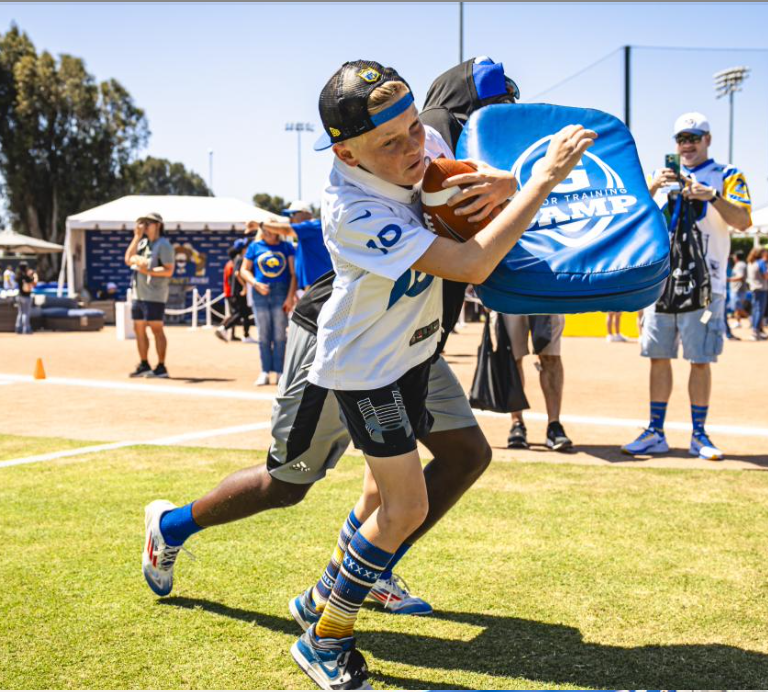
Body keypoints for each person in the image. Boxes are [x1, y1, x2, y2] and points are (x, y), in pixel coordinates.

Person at [139, 60, 526, 659]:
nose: (413, 147)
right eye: (389, 142)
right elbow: (469, 260)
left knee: (462, 455)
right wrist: (533, 182)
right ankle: (172, 528)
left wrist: (504, 178)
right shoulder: (358, 199)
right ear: (349, 153)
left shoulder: (438, 136)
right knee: (286, 484)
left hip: (413, 338)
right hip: (345, 340)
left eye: (413, 130)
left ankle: (354, 577)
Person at [623, 112, 752, 462]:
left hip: (707, 287)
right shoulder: (657, 177)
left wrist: (711, 197)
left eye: (694, 137)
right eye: (681, 138)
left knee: (700, 358)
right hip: (661, 283)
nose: (687, 144)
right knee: (657, 356)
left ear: (708, 139)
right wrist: (651, 189)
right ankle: (655, 431)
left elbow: (743, 221)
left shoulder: (727, 176)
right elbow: (632, 217)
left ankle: (698, 434)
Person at [500, 312, 572, 451]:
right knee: (513, 357)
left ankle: (554, 425)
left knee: (551, 355)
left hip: (547, 294)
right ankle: (517, 423)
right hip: (510, 294)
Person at [240, 220, 297, 386]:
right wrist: (255, 283)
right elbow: (244, 269)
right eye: (266, 230)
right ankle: (265, 371)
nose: (269, 233)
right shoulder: (255, 246)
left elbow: (293, 274)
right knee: (263, 334)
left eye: (272, 229)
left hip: (281, 292)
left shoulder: (286, 247)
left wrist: (290, 296)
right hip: (260, 293)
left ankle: (279, 372)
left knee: (280, 334)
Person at [124, 212, 174, 378]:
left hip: (155, 295)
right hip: (139, 294)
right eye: (142, 223)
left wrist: (149, 270)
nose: (144, 226)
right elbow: (128, 259)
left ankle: (161, 366)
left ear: (158, 225)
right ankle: (144, 363)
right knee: (138, 329)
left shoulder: (164, 245)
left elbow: (169, 270)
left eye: (148, 223)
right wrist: (136, 237)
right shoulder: (143, 243)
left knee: (156, 330)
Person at [282, 200, 334, 292]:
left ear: (305, 213)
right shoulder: (307, 231)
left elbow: (286, 230)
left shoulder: (313, 226)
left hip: (319, 285)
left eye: (292, 214)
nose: (290, 219)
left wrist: (261, 225)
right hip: (312, 285)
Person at [745, 246, 768, 340]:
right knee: (759, 311)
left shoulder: (750, 262)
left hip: (753, 289)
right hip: (761, 289)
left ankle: (757, 331)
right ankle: (755, 331)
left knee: (755, 310)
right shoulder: (761, 263)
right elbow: (766, 276)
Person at [726, 250, 747, 338]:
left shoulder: (741, 265)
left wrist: (728, 279)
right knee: (736, 307)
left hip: (738, 289)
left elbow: (741, 276)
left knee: (737, 307)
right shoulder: (739, 264)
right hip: (735, 289)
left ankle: (750, 319)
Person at [14, 261, 35, 335]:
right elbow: (32, 281)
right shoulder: (25, 276)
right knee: (26, 313)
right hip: (26, 296)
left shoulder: (18, 275)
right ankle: (26, 329)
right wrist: (32, 275)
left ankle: (18, 328)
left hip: (19, 296)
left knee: (20, 313)